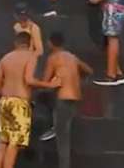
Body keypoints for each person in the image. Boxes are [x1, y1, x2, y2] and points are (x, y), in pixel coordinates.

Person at [0, 31, 60, 168]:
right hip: (19, 103)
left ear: (15, 43)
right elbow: (29, 80)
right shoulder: (31, 56)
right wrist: (49, 85)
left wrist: (6, 93)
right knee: (14, 143)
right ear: (29, 44)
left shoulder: (6, 58)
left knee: (3, 142)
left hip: (4, 101)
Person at [39, 32, 93, 168]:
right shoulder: (72, 57)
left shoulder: (54, 58)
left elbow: (45, 81)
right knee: (64, 135)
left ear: (51, 43)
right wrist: (77, 79)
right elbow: (89, 70)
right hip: (74, 99)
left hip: (63, 99)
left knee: (62, 140)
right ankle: (53, 127)